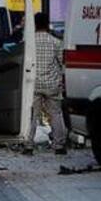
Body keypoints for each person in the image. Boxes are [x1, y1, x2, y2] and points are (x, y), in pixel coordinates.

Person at [23, 13, 68, 155]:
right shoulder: (56, 42)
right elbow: (62, 64)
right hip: (52, 84)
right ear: (47, 24)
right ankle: (59, 145)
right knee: (55, 114)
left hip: (33, 84)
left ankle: (28, 145)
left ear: (34, 24)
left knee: (32, 115)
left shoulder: (28, 42)